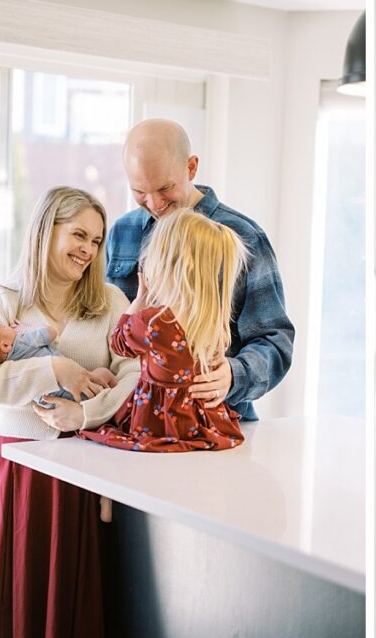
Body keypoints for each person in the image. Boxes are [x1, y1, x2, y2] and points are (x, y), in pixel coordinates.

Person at [0, 187, 140, 638]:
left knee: (66, 615)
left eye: (96, 241)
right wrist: (53, 367)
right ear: (45, 230)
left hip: (83, 481)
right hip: (13, 476)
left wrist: (85, 412)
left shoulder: (110, 303)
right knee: (10, 608)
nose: (88, 250)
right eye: (78, 234)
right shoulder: (1, 300)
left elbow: (134, 376)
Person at [106, 118, 294, 421]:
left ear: (191, 167)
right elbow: (105, 326)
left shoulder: (244, 237)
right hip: (133, 420)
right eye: (140, 191)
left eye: (165, 188)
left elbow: (275, 341)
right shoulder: (122, 232)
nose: (154, 203)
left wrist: (233, 375)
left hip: (213, 422)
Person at [80, 209, 248, 452]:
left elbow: (119, 343)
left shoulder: (153, 322)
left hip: (160, 426)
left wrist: (140, 300)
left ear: (168, 263)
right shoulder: (215, 316)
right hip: (204, 426)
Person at [0, 320, 113, 406]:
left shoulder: (4, 364)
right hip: (81, 389)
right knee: (103, 374)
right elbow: (51, 332)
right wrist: (28, 328)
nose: (7, 325)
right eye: (3, 326)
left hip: (49, 402)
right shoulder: (22, 340)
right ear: (4, 346)